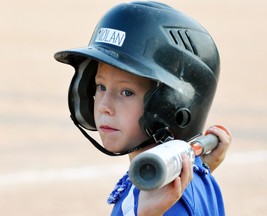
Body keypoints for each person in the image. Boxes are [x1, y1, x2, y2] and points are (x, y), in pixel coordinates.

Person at [54, 1, 232, 215]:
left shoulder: (162, 203)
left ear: (172, 106)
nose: (104, 106)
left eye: (126, 92)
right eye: (100, 87)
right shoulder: (185, 180)